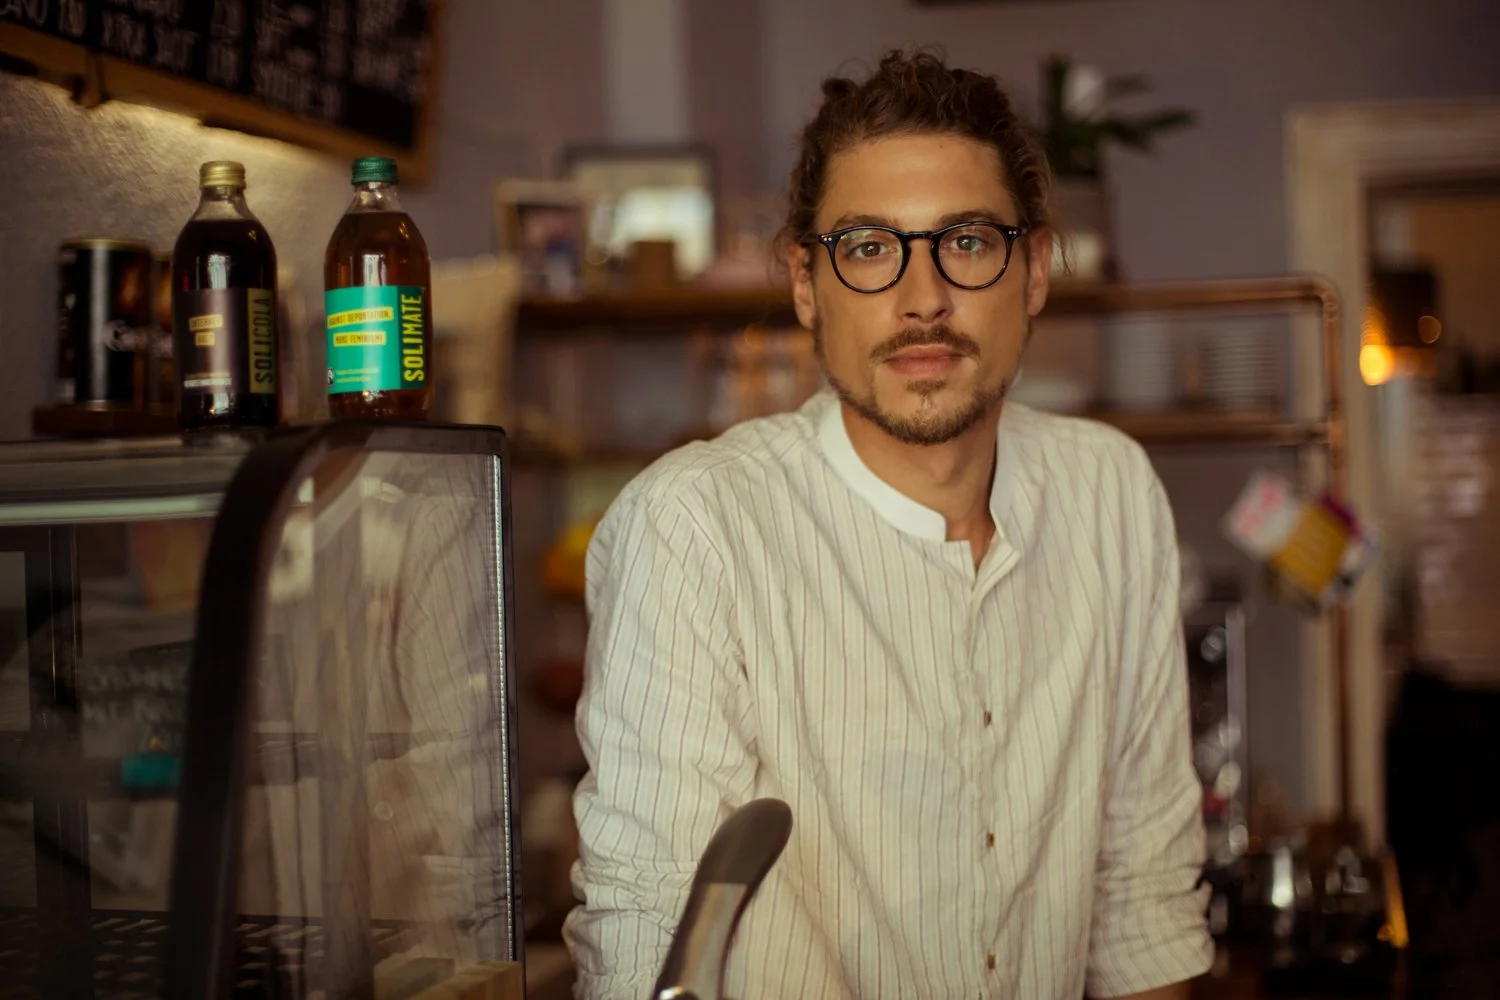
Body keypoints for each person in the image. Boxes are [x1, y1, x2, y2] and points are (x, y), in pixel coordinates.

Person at [565, 49, 1212, 999]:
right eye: (868, 247)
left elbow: (1143, 905)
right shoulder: (697, 527)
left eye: (968, 241)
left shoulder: (1111, 495)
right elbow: (646, 938)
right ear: (803, 283)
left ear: (1033, 270)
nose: (922, 300)